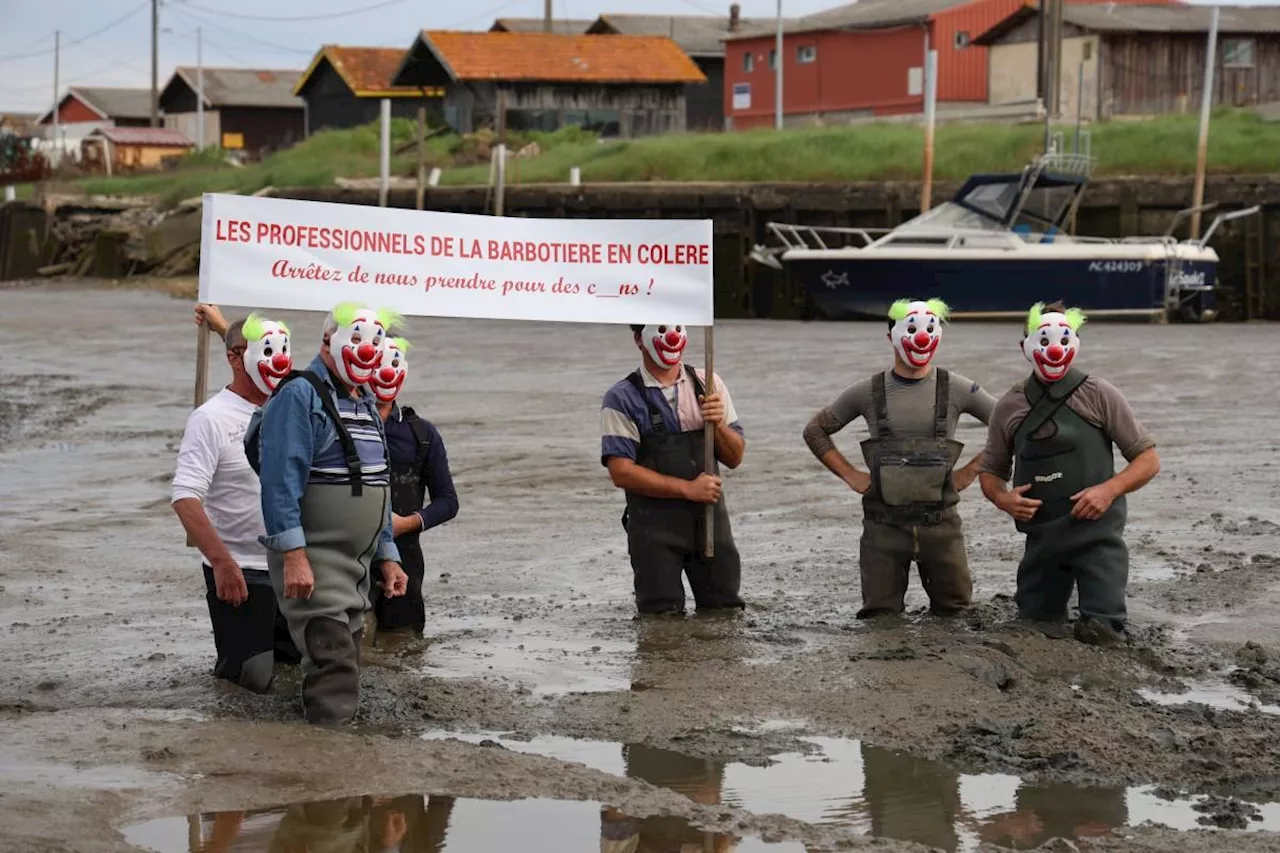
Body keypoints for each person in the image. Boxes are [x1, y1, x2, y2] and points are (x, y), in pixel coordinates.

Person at [248, 301, 409, 726]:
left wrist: (387, 554)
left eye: (375, 341)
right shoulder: (298, 395)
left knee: (346, 660)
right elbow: (279, 480)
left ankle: (326, 755)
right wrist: (293, 556)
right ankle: (327, 770)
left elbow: (380, 483)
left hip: (354, 568)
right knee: (333, 663)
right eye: (355, 338)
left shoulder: (366, 401)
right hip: (315, 562)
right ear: (326, 341)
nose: (367, 349)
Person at [979, 301, 1160, 646]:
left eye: (1064, 339)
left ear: (1075, 342)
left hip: (1098, 538)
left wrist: (1108, 490)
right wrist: (1004, 499)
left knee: (1104, 632)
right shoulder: (1009, 405)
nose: (1054, 348)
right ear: (1025, 347)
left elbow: (1148, 460)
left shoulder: (1100, 394)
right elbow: (990, 473)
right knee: (1032, 627)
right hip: (1043, 542)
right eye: (1043, 340)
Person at [802, 299, 995, 619]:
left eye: (930, 329)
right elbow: (815, 431)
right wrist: (850, 474)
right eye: (911, 329)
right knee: (880, 619)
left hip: (942, 528)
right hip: (883, 530)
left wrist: (971, 471)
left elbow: (1013, 426)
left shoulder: (959, 389)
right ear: (891, 336)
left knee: (956, 616)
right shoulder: (866, 392)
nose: (921, 338)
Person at [171, 307, 300, 694]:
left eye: (282, 349)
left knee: (301, 672)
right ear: (233, 358)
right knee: (249, 680)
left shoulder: (295, 407)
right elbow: (185, 497)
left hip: (295, 565)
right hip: (241, 569)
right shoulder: (211, 419)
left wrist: (222, 325)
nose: (276, 359)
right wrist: (222, 563)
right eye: (264, 350)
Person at [600, 323, 747, 616]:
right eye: (662, 328)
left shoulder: (710, 383)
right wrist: (688, 489)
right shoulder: (622, 397)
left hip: (710, 523)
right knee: (660, 622)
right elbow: (621, 472)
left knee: (725, 614)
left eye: (677, 326)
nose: (672, 336)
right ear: (639, 340)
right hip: (654, 530)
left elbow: (735, 457)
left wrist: (717, 423)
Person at [366, 335, 459, 636]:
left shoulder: (421, 433)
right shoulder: (339, 424)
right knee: (353, 649)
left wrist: (407, 524)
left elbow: (448, 501)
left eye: (393, 362)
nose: (386, 371)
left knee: (402, 653)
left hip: (406, 560)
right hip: (351, 560)